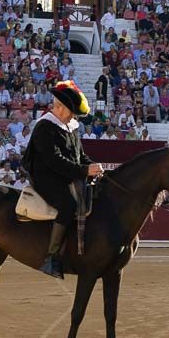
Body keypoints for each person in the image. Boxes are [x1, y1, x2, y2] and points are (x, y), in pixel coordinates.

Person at [23, 80, 103, 278]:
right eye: (71, 112)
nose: (73, 116)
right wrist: (84, 171)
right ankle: (51, 257)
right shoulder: (45, 127)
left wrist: (93, 167)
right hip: (46, 177)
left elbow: (79, 155)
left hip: (65, 174)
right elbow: (54, 161)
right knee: (68, 205)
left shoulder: (70, 125)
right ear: (59, 107)